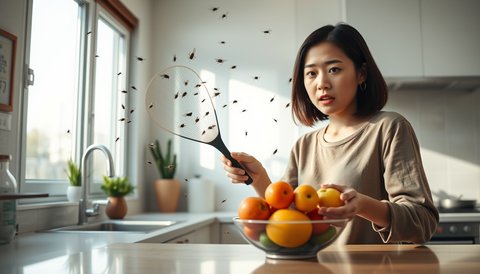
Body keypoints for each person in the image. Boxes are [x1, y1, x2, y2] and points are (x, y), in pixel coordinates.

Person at [222, 23, 439, 244]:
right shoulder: (304, 145)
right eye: (311, 73)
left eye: (334, 69)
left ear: (361, 73)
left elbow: (422, 223)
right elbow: (290, 219)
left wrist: (362, 205)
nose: (322, 83)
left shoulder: (389, 128)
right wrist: (260, 179)